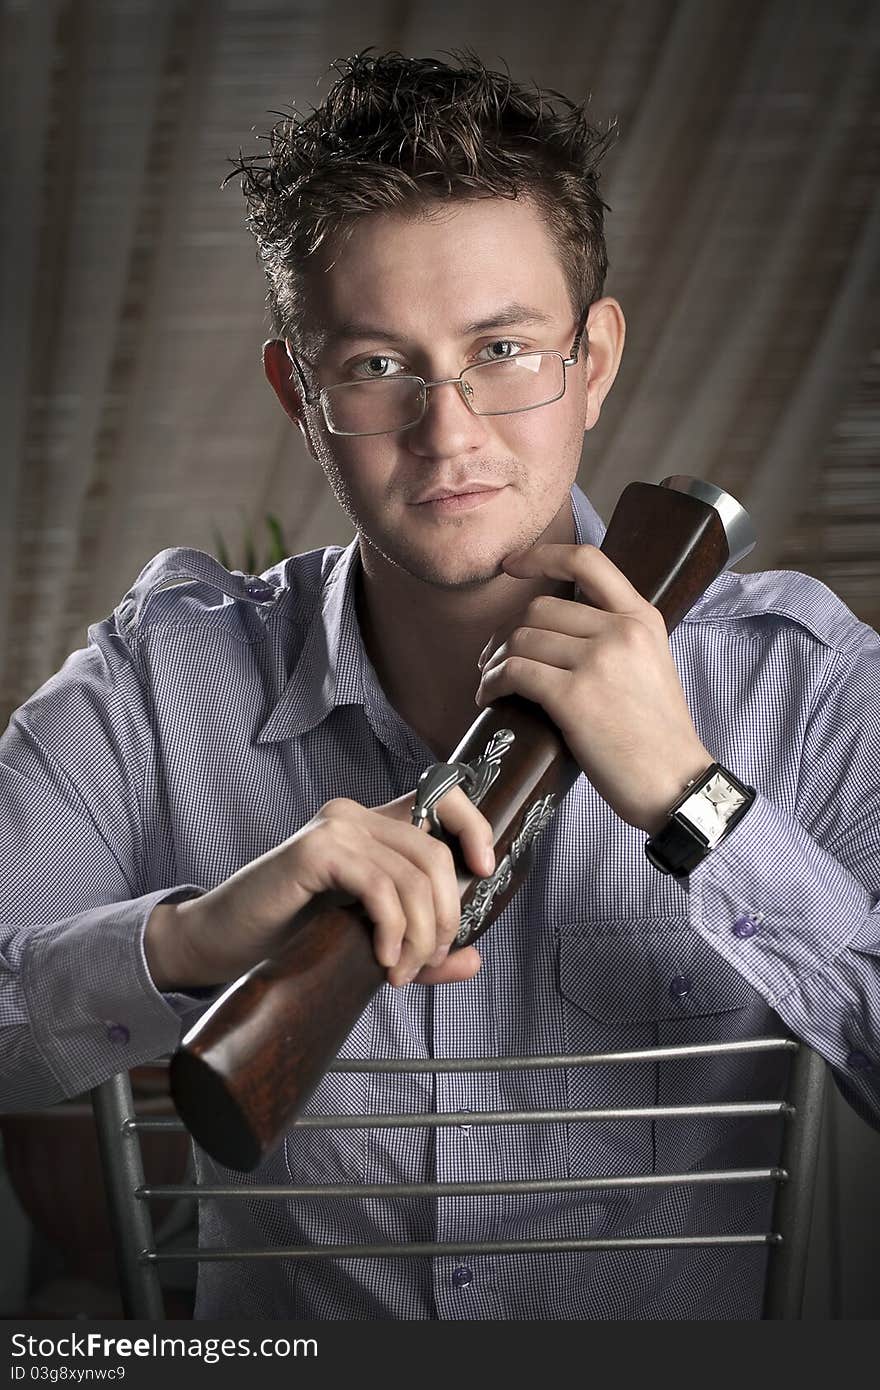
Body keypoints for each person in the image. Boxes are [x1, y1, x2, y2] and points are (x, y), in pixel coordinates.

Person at [1, 50, 878, 1322]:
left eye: (504, 348)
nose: (450, 431)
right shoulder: (159, 680)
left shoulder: (803, 684)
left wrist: (702, 805)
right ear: (298, 392)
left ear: (595, 358)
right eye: (373, 368)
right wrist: (193, 937)